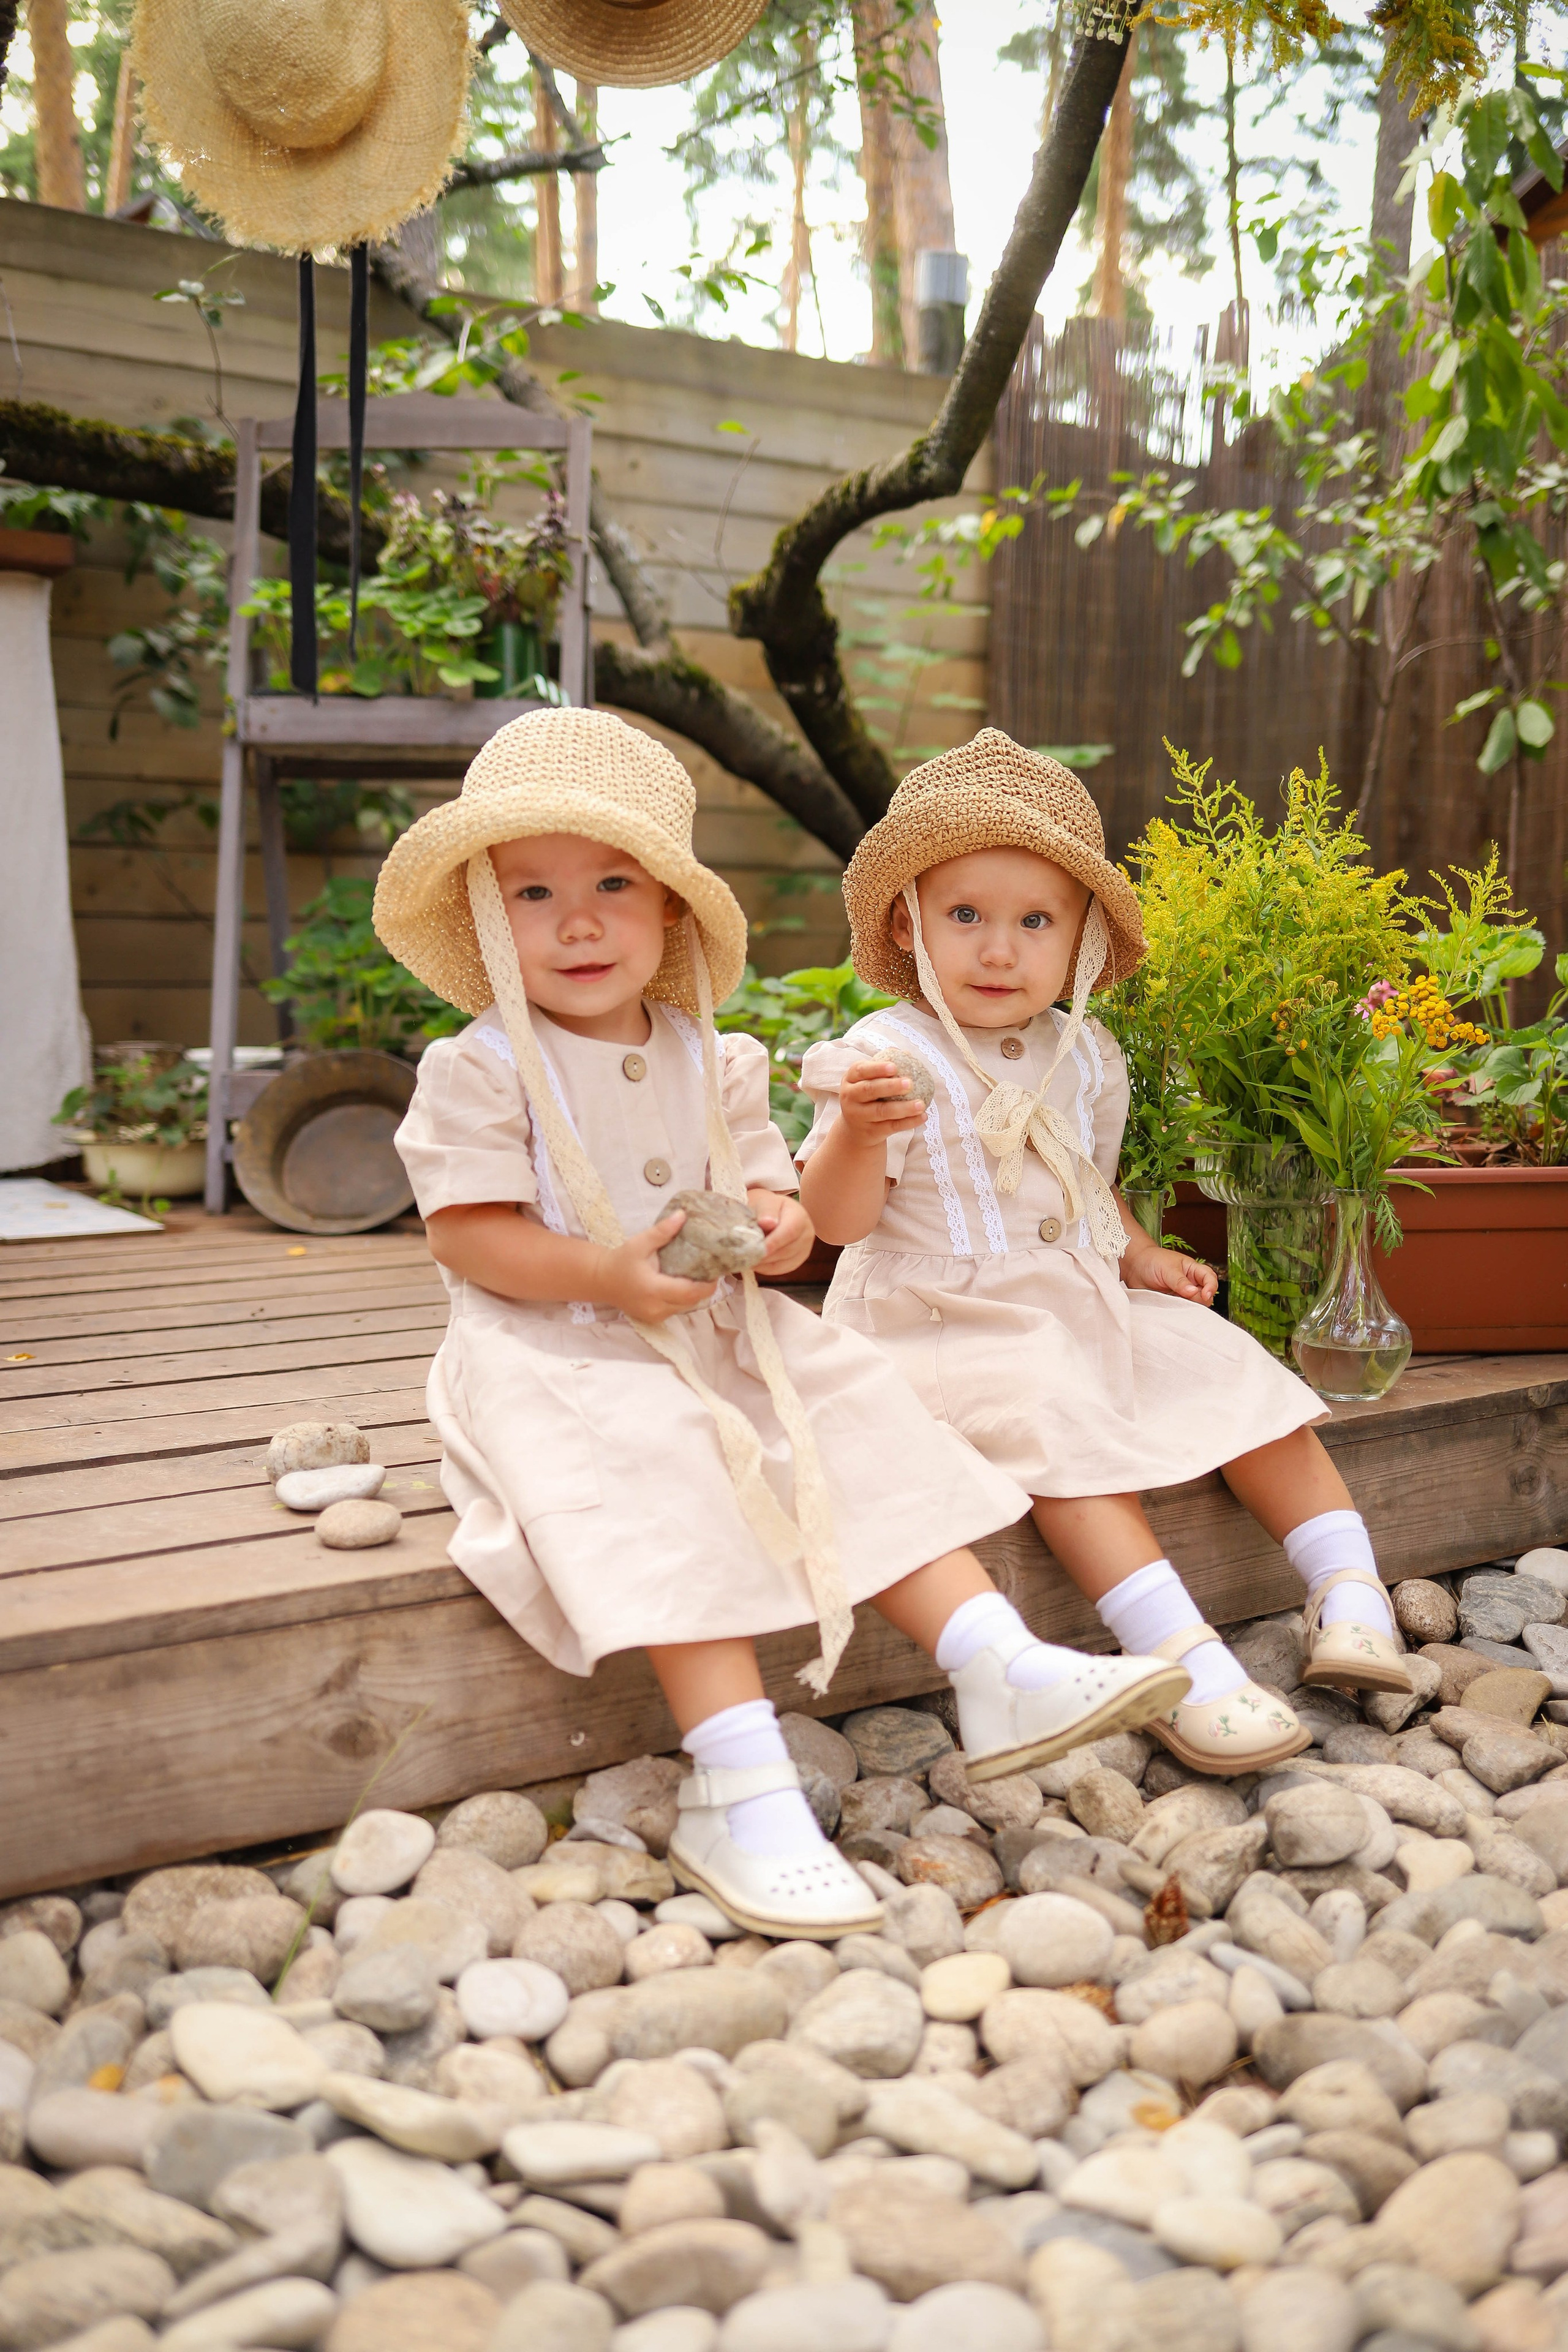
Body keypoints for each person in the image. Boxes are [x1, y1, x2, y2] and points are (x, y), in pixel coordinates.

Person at [373, 709, 1190, 1942]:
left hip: (721, 1330)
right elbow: (467, 1234)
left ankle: (995, 1663)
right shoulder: (482, 1067)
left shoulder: (717, 1057)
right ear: (487, 918)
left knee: (853, 1412)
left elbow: (786, 1213)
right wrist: (604, 1271)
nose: (578, 923)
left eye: (612, 886)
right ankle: (739, 1787)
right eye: (533, 893)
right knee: (661, 1466)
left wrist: (775, 1225)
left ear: (669, 909)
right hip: (561, 1348)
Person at [795, 730, 1415, 1777]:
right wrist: (857, 1135)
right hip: (948, 1324)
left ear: (1081, 938)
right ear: (908, 924)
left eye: (1035, 922)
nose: (1000, 952)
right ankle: (1179, 1657)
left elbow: (1087, 1184)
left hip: (1080, 1297)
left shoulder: (1085, 1053)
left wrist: (1139, 1254)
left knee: (1230, 1368)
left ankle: (1349, 1588)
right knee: (1056, 1418)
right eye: (966, 917)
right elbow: (837, 1222)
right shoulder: (886, 1057)